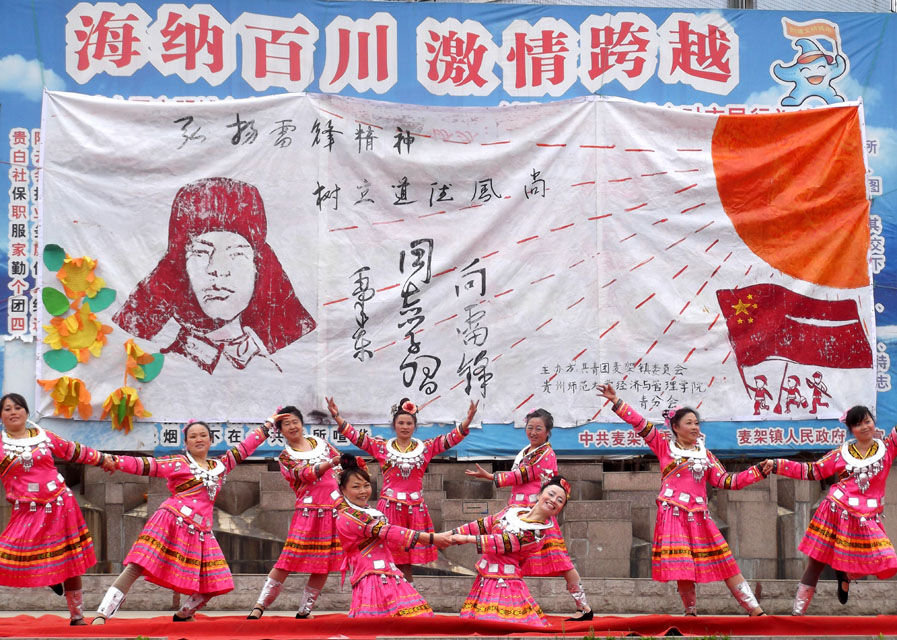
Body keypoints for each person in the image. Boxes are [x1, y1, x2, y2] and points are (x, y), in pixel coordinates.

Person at [113, 177, 316, 373]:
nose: (217, 269)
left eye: (236, 254)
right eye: (201, 252)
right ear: (181, 269)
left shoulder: (271, 367)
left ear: (258, 266)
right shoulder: (166, 364)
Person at [597, 384, 769, 616]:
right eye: (689, 423)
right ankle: (690, 613)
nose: (694, 427)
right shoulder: (664, 446)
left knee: (726, 561)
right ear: (675, 427)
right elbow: (640, 424)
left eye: (696, 423)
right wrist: (616, 401)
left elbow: (727, 481)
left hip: (700, 516)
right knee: (683, 566)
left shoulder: (706, 455)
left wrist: (758, 472)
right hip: (674, 514)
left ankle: (755, 610)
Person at [92, 418, 270, 623]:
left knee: (217, 580)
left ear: (211, 440)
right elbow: (146, 465)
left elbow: (244, 448)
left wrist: (268, 426)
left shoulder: (220, 466)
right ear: (186, 443)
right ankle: (102, 613)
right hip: (171, 521)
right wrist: (114, 461)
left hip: (201, 531)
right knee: (138, 564)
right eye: (193, 436)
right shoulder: (178, 463)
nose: (198, 439)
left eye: (203, 435)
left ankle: (184, 614)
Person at [327, 396, 477, 581]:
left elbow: (450, 439)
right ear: (394, 425)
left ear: (415, 426)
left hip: (415, 510)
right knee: (391, 557)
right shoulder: (381, 447)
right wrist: (337, 416)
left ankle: (406, 593)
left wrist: (468, 420)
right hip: (390, 508)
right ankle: (390, 591)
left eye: (409, 423)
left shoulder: (426, 448)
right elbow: (357, 438)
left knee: (407, 560)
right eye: (401, 423)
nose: (405, 427)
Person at [465, 407, 591, 620]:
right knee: (505, 558)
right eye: (530, 427)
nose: (533, 432)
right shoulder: (527, 451)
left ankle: (584, 607)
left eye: (538, 429)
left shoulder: (546, 454)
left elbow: (523, 475)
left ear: (548, 432)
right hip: (518, 514)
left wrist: (491, 477)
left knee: (561, 562)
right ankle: (501, 607)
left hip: (537, 517)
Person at [0, 393, 115, 625]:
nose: (13, 412)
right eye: (7, 409)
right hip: (26, 510)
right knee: (6, 555)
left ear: (26, 412)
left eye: (18, 407)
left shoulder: (43, 436)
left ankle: (77, 616)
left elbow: (73, 450)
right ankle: (49, 574)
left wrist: (102, 459)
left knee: (70, 561)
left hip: (60, 504)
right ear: (1, 416)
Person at [770, 405, 897, 615]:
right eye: (858, 424)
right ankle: (797, 614)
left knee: (885, 557)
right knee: (816, 563)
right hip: (835, 511)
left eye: (867, 421)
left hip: (866, 518)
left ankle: (844, 573)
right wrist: (778, 465)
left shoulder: (888, 447)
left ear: (874, 422)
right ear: (851, 429)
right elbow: (813, 470)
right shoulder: (841, 454)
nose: (864, 427)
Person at [247, 406, 344, 619]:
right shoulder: (285, 457)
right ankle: (259, 606)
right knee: (287, 560)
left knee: (323, 564)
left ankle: (305, 610)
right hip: (308, 513)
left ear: (302, 423)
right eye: (286, 424)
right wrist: (331, 463)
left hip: (333, 511)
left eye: (295, 422)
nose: (292, 426)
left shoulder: (321, 443)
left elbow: (342, 467)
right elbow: (304, 474)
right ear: (280, 431)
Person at [335, 454, 452, 617]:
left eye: (366, 485)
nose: (363, 491)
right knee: (378, 620)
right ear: (343, 489)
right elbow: (388, 531)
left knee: (413, 617)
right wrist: (432, 538)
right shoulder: (349, 516)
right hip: (371, 574)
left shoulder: (366, 511)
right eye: (356, 487)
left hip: (387, 569)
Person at [448, 476, 572, 628]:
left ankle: (583, 607)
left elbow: (500, 542)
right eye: (551, 494)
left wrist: (466, 538)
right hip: (485, 577)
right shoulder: (512, 511)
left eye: (560, 500)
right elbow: (485, 523)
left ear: (560, 509)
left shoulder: (536, 533)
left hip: (505, 581)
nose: (553, 500)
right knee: (476, 626)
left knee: (500, 627)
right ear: (539, 494)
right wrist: (450, 534)